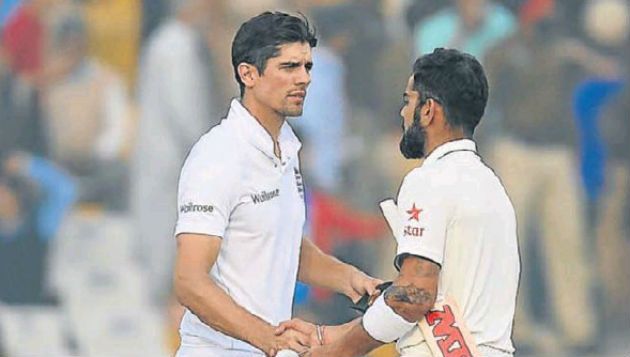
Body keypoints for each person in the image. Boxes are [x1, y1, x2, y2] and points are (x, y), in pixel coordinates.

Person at [276, 48, 520, 357]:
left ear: (429, 110)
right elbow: (433, 302)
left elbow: (415, 296)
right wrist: (329, 335)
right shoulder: (492, 186)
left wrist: (336, 352)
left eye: (408, 101)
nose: (403, 113)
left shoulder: (430, 180)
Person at [173, 11, 380, 357]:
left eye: (307, 67)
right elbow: (189, 281)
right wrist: (268, 338)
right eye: (289, 67)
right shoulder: (217, 155)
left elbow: (280, 246)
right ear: (248, 74)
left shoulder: (287, 148)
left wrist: (350, 280)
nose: (304, 79)